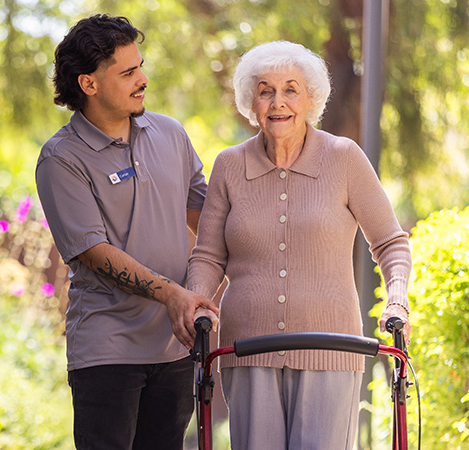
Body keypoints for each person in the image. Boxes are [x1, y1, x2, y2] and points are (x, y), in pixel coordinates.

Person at [186, 40, 413, 450]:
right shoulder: (229, 166)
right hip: (248, 350)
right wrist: (197, 300)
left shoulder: (343, 158)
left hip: (331, 350)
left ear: (310, 99)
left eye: (291, 88)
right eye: (265, 89)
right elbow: (208, 255)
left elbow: (391, 243)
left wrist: (397, 300)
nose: (278, 101)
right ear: (250, 101)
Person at [35, 14, 218, 450]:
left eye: (140, 66)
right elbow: (94, 252)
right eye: (128, 72)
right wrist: (173, 293)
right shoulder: (62, 159)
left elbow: (208, 219)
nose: (144, 79)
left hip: (177, 344)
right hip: (107, 349)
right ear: (89, 84)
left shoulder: (170, 134)